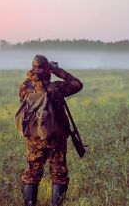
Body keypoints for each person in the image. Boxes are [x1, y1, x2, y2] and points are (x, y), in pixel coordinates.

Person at [18, 55, 83, 206]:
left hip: (35, 138)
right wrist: (57, 70)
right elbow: (77, 84)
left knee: (32, 173)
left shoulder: (25, 87)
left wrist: (35, 74)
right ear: (48, 69)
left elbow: (26, 97)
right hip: (56, 138)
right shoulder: (56, 88)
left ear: (32, 68)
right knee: (59, 174)